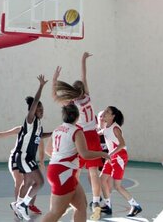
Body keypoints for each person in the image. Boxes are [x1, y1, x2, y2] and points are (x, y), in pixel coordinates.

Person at [52, 52, 103, 220]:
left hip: (81, 135)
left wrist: (54, 80)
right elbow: (84, 76)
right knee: (93, 171)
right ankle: (96, 201)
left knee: (76, 169)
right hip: (93, 135)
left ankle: (70, 196)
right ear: (82, 89)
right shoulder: (87, 96)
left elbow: (54, 97)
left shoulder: (71, 104)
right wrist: (82, 59)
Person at [42, 104, 109, 222]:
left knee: (81, 206)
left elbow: (48, 150)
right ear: (78, 117)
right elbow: (85, 154)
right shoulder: (76, 131)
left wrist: (61, 157)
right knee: (56, 212)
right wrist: (102, 154)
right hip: (64, 173)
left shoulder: (57, 129)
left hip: (58, 170)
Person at [9, 74, 50, 221]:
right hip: (24, 156)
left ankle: (18, 205)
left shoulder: (38, 124)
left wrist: (53, 133)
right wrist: (41, 86)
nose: (41, 110)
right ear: (32, 110)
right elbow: (35, 102)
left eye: (42, 109)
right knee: (40, 182)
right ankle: (22, 204)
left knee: (27, 183)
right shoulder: (30, 120)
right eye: (38, 108)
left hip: (27, 157)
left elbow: (39, 136)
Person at [0, 127, 46, 215]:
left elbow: (41, 148)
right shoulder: (22, 128)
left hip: (28, 159)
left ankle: (30, 204)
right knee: (19, 181)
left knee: (34, 181)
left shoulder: (38, 133)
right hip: (16, 158)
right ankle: (17, 206)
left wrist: (42, 161)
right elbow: (3, 133)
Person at [99, 106, 142, 217]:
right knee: (102, 179)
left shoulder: (115, 128)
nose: (104, 112)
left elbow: (122, 144)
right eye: (105, 110)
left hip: (119, 157)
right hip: (112, 157)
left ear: (113, 116)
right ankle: (108, 206)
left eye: (107, 111)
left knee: (117, 186)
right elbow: (98, 133)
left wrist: (110, 154)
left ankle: (135, 205)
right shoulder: (106, 127)